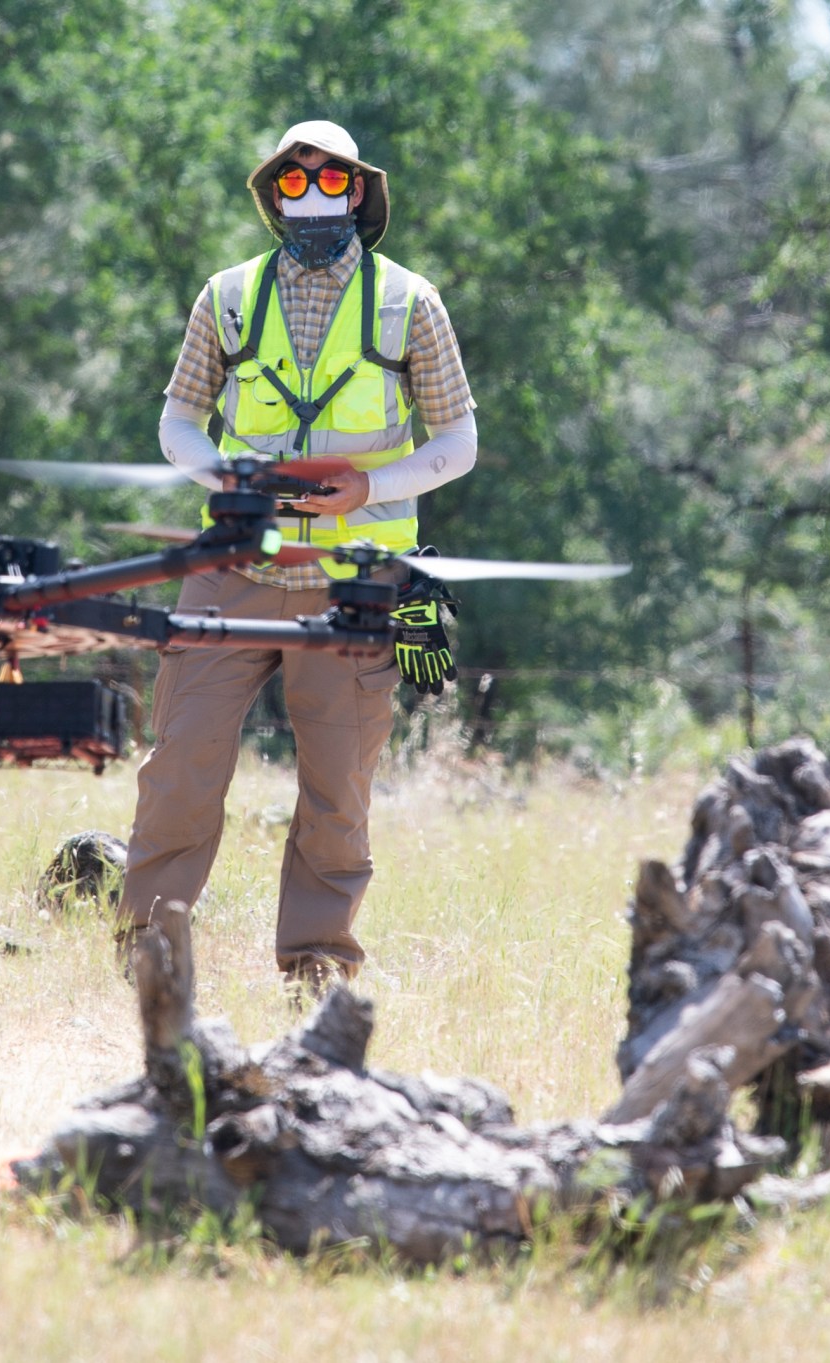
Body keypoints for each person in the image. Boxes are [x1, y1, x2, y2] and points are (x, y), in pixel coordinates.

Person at [117, 120, 479, 990]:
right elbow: (176, 421)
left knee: (336, 796)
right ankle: (148, 964)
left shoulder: (410, 302)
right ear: (274, 195)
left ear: (359, 193)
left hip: (356, 584)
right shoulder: (228, 295)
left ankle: (317, 974)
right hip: (232, 568)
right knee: (180, 772)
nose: (312, 198)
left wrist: (372, 488)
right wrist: (222, 473)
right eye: (293, 184)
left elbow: (459, 440)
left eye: (330, 184)